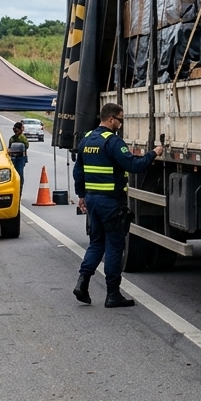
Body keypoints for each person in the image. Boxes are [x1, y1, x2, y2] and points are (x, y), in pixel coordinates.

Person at [72, 103, 163, 308]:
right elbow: (134, 165)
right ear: (111, 119)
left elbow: (78, 171)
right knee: (114, 246)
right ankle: (113, 294)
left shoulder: (87, 139)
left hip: (93, 200)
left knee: (97, 243)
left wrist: (81, 195)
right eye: (120, 120)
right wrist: (153, 153)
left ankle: (82, 283)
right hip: (111, 203)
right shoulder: (113, 142)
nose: (121, 124)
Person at [7, 122, 29, 188]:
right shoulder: (12, 138)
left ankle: (20, 188)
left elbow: (27, 146)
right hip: (13, 158)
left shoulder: (23, 138)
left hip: (21, 158)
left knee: (20, 173)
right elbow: (9, 147)